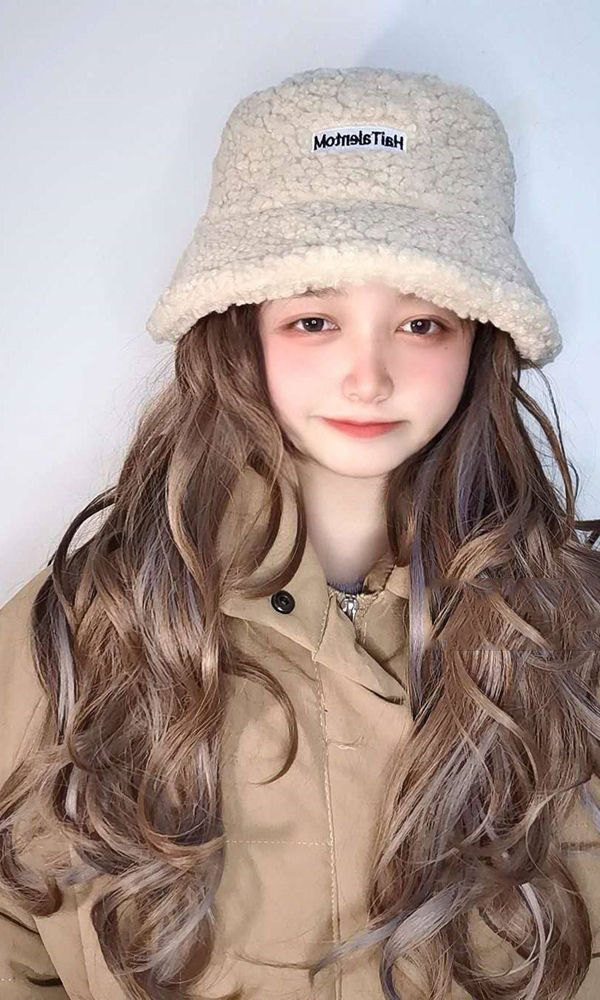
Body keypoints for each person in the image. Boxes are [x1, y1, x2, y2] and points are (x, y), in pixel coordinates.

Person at [1, 65, 600, 1000]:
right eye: (314, 319)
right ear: (238, 330)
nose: (369, 376)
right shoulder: (86, 625)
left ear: (482, 341)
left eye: (423, 324)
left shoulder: (571, 628)